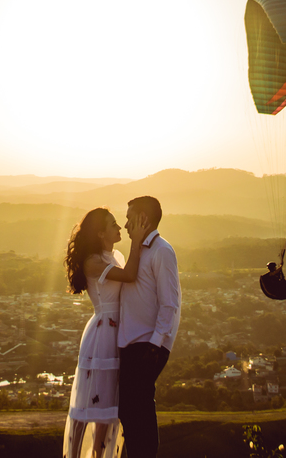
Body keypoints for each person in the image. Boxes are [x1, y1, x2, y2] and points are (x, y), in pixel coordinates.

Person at [63, 207, 153, 458]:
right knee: (94, 401)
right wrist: (137, 240)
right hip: (103, 333)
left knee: (110, 404)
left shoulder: (116, 255)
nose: (120, 228)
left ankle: (98, 455)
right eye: (114, 224)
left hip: (120, 329)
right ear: (101, 233)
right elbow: (129, 276)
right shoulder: (93, 262)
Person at [117, 196, 180, 458]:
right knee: (129, 410)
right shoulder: (139, 250)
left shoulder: (161, 251)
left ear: (144, 218)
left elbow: (170, 303)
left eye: (130, 217)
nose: (126, 224)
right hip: (133, 342)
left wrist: (155, 345)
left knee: (139, 408)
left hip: (148, 344)